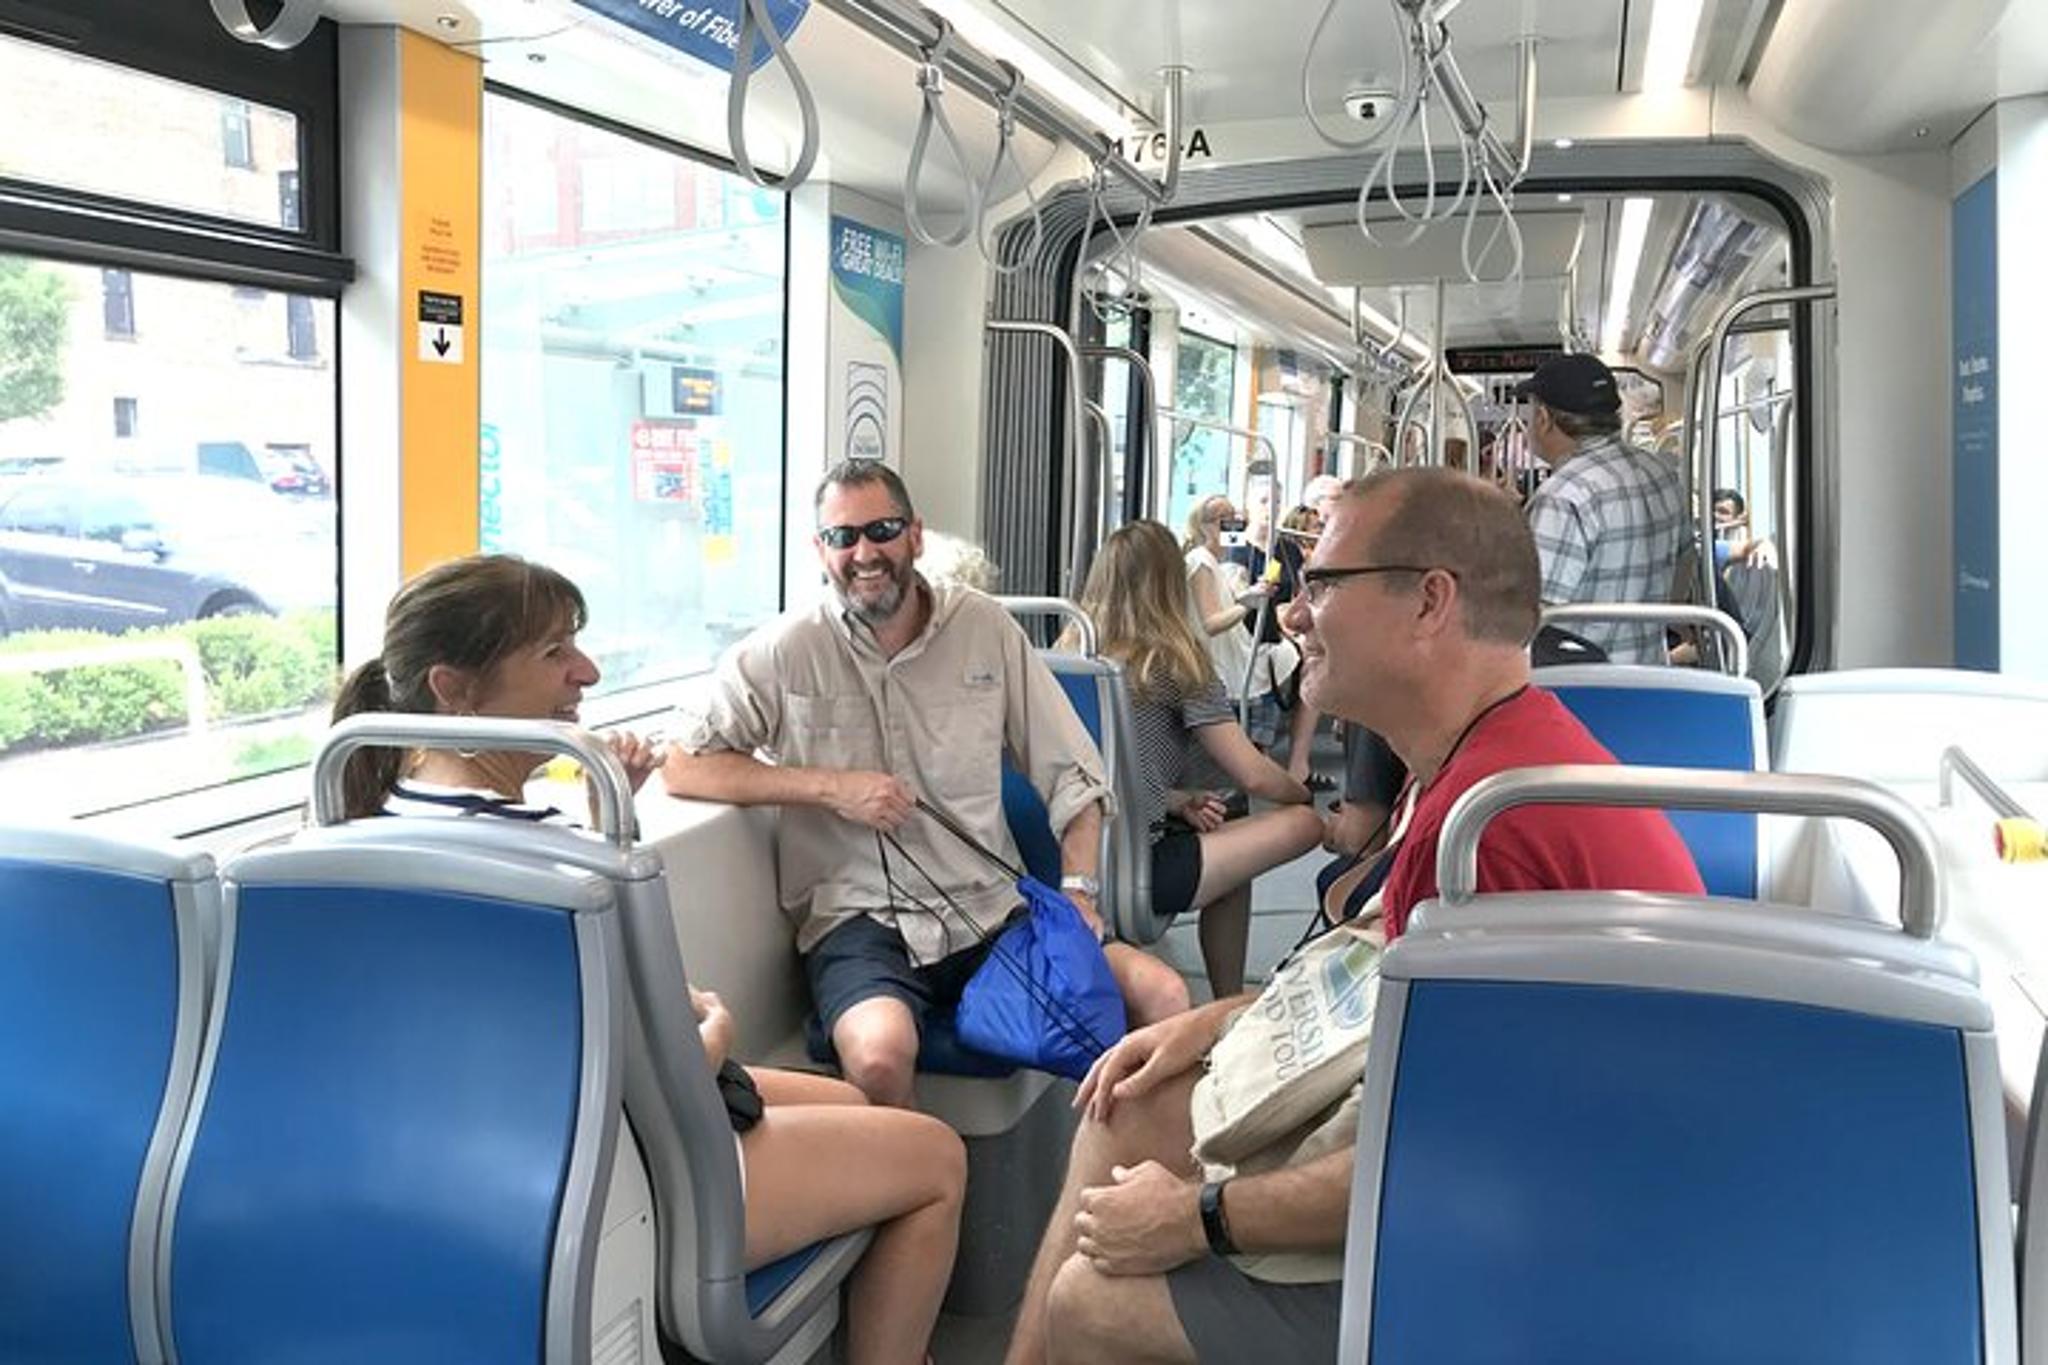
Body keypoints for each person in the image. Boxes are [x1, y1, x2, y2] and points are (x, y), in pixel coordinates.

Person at [1005, 469, 1704, 1365]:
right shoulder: (1471, 764)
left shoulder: (1497, 832)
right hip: (1504, 1166)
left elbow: (1446, 1150)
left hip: (1538, 1244)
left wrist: (1197, 1218)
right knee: (1126, 1106)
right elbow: (1390, 1016)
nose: (1294, 614)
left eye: (1322, 583)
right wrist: (1223, 1019)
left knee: (1096, 1301)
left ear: (1429, 602)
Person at [332, 553, 966, 1365]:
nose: (586, 672)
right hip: (624, 1168)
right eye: (554, 653)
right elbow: (637, 1069)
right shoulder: (554, 866)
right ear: (453, 689)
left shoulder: (359, 827)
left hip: (490, 1156)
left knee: (860, 1100)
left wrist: (608, 821)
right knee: (936, 1153)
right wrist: (713, 1025)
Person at [663, 459, 1189, 1109]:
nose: (863, 553)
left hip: (992, 910)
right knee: (880, 1053)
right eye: (842, 536)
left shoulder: (985, 630)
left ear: (915, 534)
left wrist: (1078, 889)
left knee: (1163, 994)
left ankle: (1124, 1184)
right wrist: (831, 787)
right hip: (859, 922)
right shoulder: (786, 648)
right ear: (820, 550)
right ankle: (921, 1192)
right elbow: (684, 763)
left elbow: (1075, 773)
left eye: (881, 530)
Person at [1071, 521, 1325, 999]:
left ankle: (1224, 999)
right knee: (1295, 824)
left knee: (1220, 832)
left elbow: (1097, 773)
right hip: (1138, 869)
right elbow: (1250, 772)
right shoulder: (1176, 662)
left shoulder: (1067, 660)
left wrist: (1170, 799)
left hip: (1067, 864)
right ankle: (1228, 999)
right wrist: (1302, 792)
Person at [1519, 352, 1688, 664]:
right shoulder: (1660, 473)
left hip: (1581, 686)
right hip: (1650, 673)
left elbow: (1530, 615)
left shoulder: (1563, 496)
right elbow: (1685, 562)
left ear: (1543, 418)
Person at [1182, 494, 1263, 704]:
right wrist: (1247, 603)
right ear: (1203, 526)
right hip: (1213, 664)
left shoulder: (1216, 562)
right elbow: (1211, 623)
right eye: (1223, 518)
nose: (1232, 523)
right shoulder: (1201, 561)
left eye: (1234, 516)